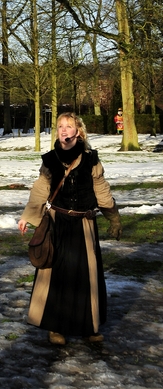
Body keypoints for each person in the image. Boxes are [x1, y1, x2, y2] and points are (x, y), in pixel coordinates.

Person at [18, 112, 122, 346]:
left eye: (69, 126)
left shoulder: (91, 160)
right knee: (56, 276)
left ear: (79, 131)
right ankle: (56, 327)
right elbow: (40, 190)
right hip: (57, 223)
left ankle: (89, 327)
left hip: (84, 225)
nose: (64, 130)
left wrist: (113, 216)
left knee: (87, 277)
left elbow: (102, 190)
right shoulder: (50, 160)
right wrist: (28, 215)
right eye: (60, 126)